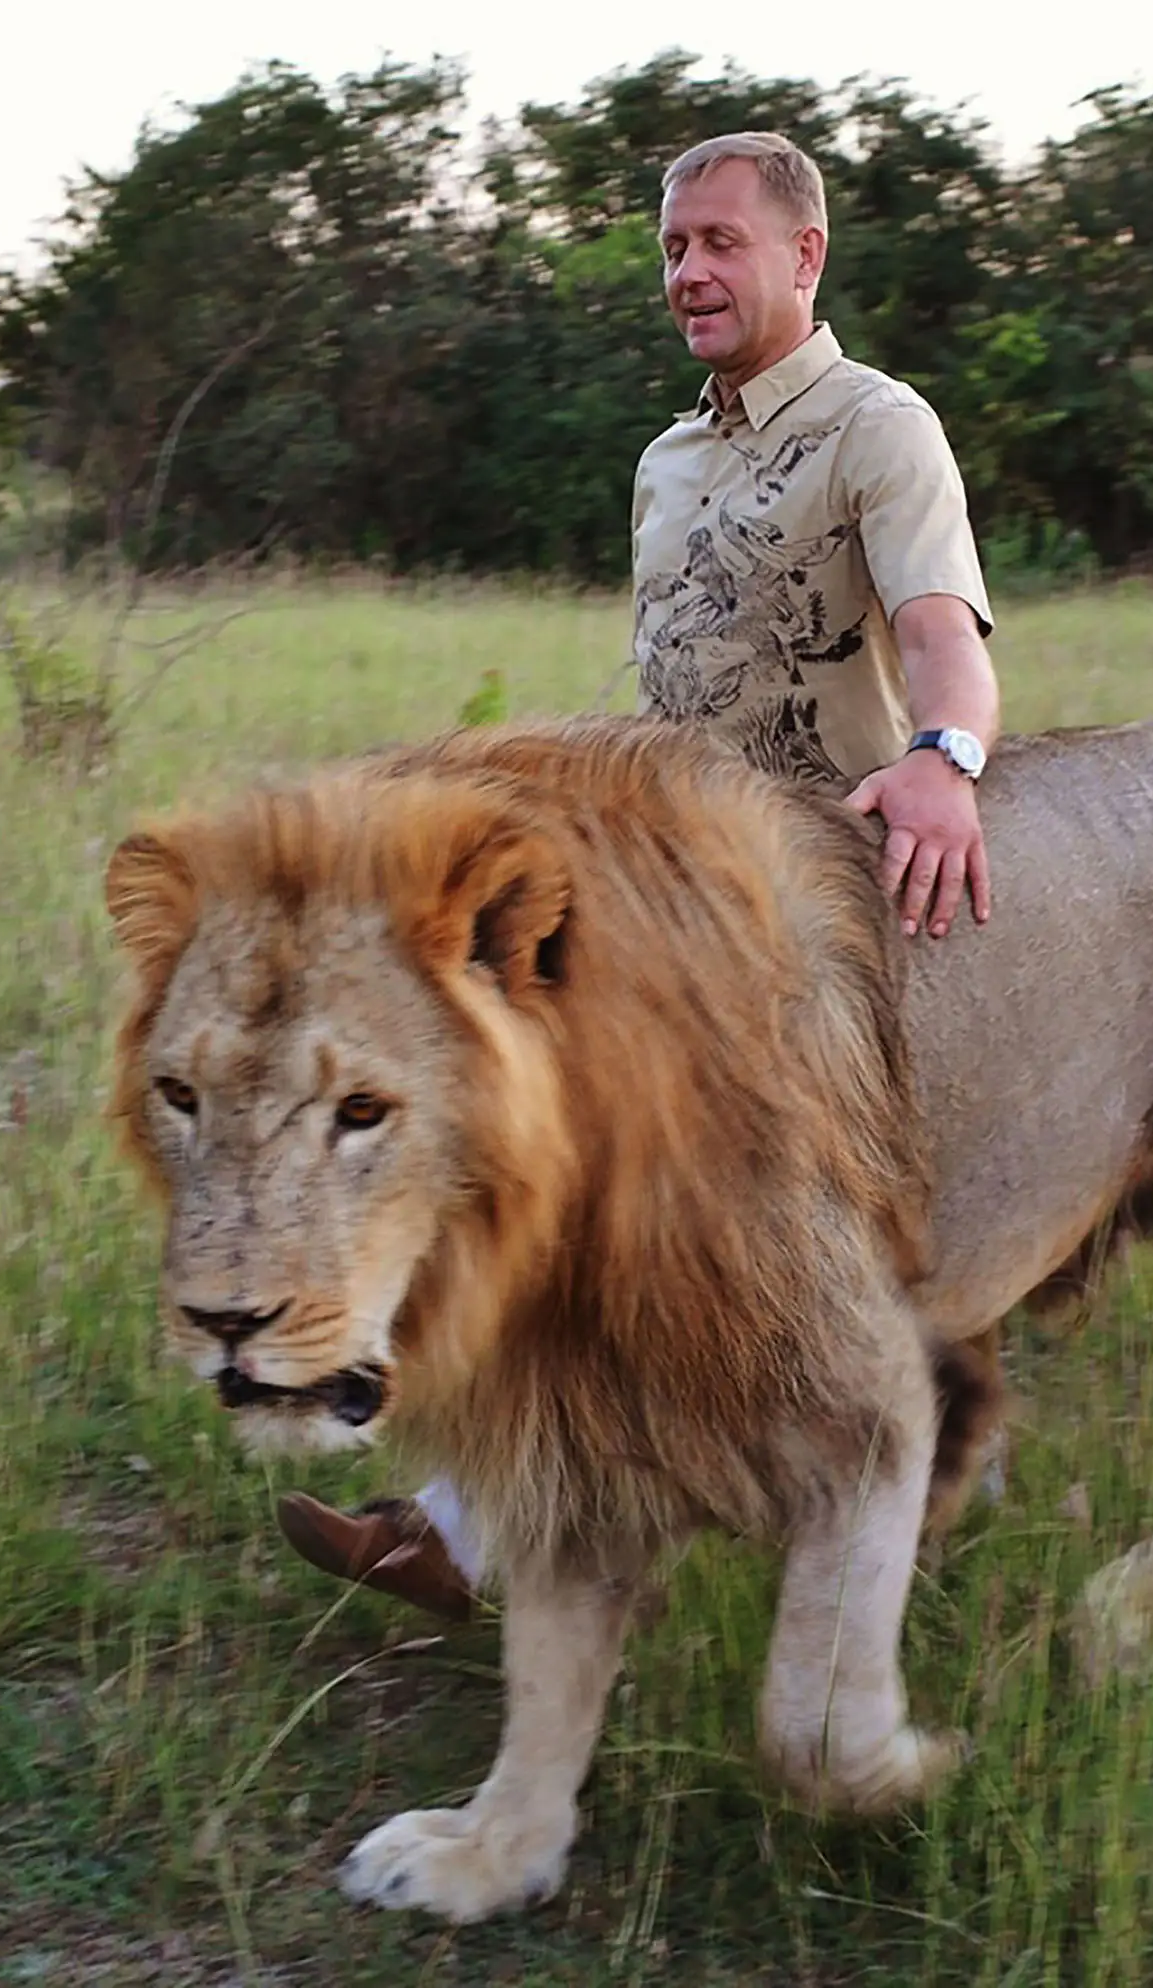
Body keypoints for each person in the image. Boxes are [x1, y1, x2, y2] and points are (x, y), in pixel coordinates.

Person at [271, 129, 1005, 1621]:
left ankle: (493, 1531)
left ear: (803, 257)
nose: (688, 272)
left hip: (808, 907)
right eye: (674, 247)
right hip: (660, 893)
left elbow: (943, 636)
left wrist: (948, 757)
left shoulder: (880, 425)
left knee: (624, 1196)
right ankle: (493, 1513)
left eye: (721, 243)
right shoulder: (666, 460)